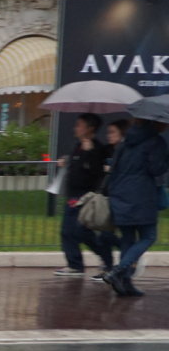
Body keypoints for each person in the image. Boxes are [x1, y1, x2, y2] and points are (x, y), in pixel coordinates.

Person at [101, 118, 169, 297]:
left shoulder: (126, 140)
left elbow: (115, 167)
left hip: (120, 194)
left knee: (127, 239)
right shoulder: (156, 141)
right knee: (149, 236)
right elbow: (156, 169)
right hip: (142, 196)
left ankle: (125, 283)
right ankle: (119, 270)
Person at [55, 113, 119, 277]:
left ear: (90, 128)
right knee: (67, 232)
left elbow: (97, 172)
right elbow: (77, 165)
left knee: (81, 231)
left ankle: (107, 260)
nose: (76, 128)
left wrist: (90, 152)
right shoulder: (77, 145)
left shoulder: (97, 148)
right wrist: (66, 161)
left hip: (86, 197)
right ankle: (75, 265)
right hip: (72, 196)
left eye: (80, 125)